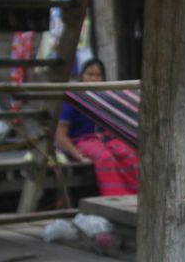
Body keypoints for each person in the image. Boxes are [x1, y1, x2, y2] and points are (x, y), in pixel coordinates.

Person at [54, 58, 140, 196]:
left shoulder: (106, 98)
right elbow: (60, 135)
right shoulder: (73, 98)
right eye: (90, 74)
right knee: (106, 159)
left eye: (98, 75)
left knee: (130, 154)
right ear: (82, 75)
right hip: (81, 141)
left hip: (105, 139)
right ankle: (115, 198)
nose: (94, 79)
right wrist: (78, 156)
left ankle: (136, 196)